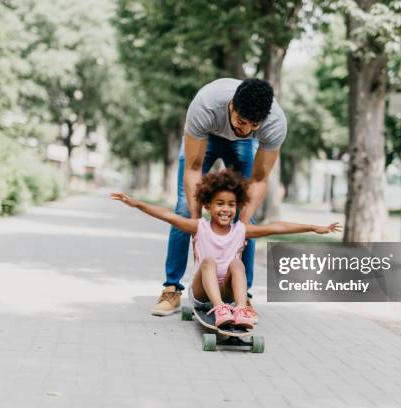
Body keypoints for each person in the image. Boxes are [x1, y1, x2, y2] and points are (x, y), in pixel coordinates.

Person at [111, 169, 342, 328]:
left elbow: (275, 227)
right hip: (203, 293)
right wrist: (137, 203)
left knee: (236, 263)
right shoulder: (198, 227)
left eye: (231, 205)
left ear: (238, 206)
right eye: (220, 204)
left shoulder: (241, 230)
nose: (226, 209)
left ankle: (240, 309)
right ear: (208, 205)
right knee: (209, 261)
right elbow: (167, 216)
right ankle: (220, 309)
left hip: (229, 292)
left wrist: (313, 227)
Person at [153, 77, 288, 317]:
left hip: (244, 147)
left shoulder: (275, 123)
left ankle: (242, 297)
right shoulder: (206, 104)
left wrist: (242, 225)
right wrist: (197, 226)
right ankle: (171, 288)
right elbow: (194, 168)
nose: (245, 129)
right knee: (184, 211)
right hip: (207, 136)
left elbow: (258, 180)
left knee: (247, 223)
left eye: (253, 124)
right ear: (232, 106)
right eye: (241, 121)